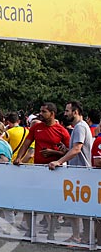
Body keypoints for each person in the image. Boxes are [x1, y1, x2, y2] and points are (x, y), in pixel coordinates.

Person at [14, 102, 70, 239]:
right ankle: (30, 230)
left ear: (52, 113)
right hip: (37, 170)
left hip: (54, 171)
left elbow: (69, 152)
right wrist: (19, 158)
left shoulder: (62, 130)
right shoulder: (36, 127)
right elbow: (26, 143)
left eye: (44, 111)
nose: (41, 114)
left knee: (51, 204)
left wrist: (53, 153)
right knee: (30, 200)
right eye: (41, 111)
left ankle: (51, 233)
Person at [48, 101, 92, 243]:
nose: (65, 113)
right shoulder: (80, 126)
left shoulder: (80, 127)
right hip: (80, 172)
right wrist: (65, 151)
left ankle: (79, 236)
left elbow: (77, 149)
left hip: (81, 173)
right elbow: (77, 151)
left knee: (78, 207)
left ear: (76, 111)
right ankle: (81, 236)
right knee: (79, 207)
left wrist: (59, 161)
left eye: (67, 111)